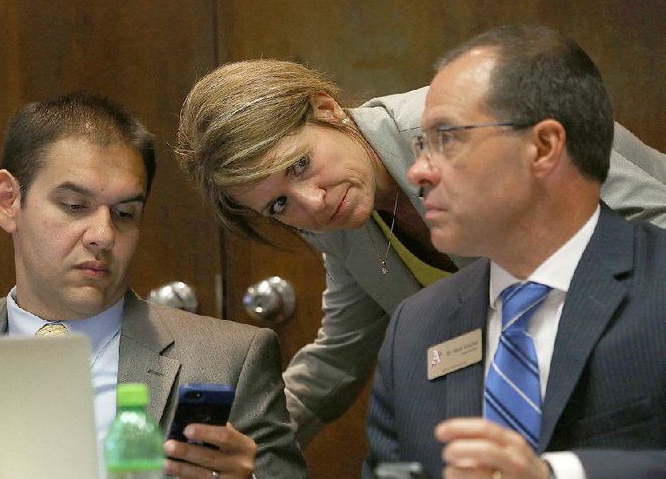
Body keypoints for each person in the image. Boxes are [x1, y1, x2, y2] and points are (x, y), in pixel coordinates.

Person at [175, 56, 666, 448]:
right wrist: (239, 442)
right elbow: (340, 356)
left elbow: (653, 226)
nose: (312, 204)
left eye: (300, 165)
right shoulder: (337, 219)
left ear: (327, 110)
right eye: (277, 203)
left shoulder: (465, 121)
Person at [0, 92, 314, 479]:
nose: (103, 235)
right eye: (75, 206)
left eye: (125, 214)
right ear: (8, 200)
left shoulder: (227, 359)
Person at [350, 25, 666, 479]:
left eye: (446, 139)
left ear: (543, 146)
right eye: (420, 145)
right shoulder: (416, 328)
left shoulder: (658, 284)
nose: (417, 172)